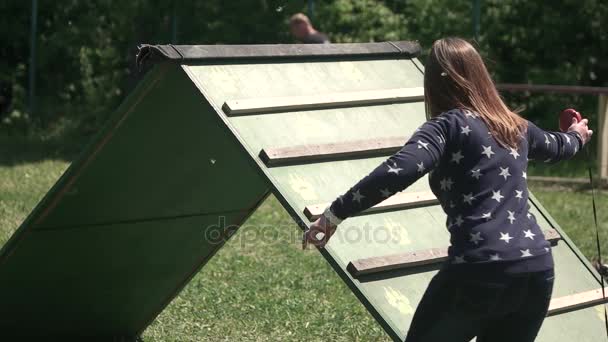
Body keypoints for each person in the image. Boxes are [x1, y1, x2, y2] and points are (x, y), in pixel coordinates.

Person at [303, 37, 593, 342]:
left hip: (479, 268)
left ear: (433, 84)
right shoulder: (515, 126)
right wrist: (576, 135)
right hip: (536, 267)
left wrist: (335, 214)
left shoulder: (446, 127)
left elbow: (400, 169)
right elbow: (560, 146)